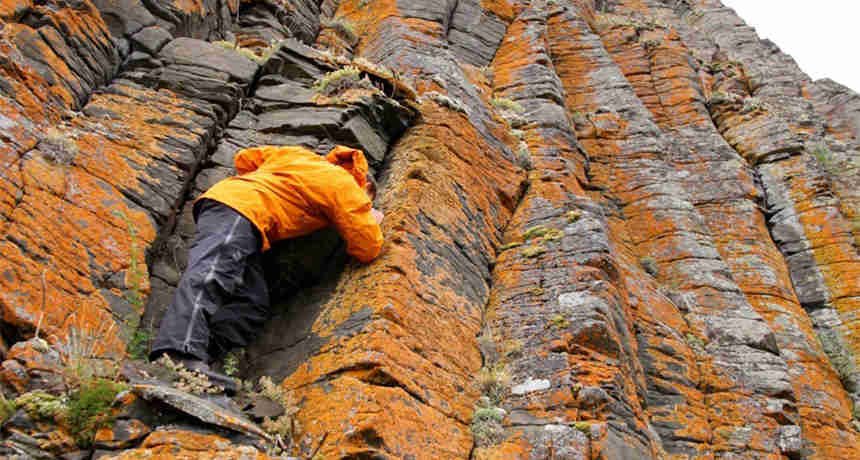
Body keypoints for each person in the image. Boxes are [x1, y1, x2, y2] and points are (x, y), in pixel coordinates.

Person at [149, 145, 384, 392]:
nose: (364, 205)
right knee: (211, 276)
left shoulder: (299, 156)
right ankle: (177, 353)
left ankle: (196, 364)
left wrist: (273, 182)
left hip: (237, 208)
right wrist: (372, 219)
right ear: (364, 186)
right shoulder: (345, 185)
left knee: (251, 303)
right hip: (242, 209)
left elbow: (245, 158)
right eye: (367, 201)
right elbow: (367, 244)